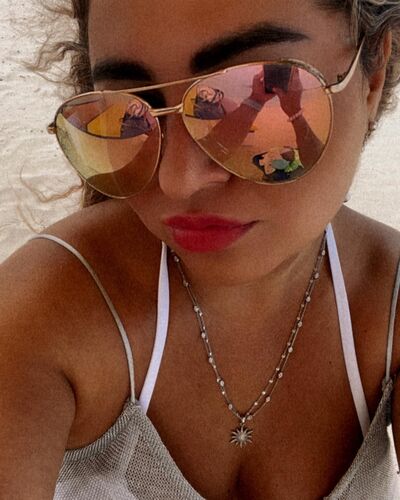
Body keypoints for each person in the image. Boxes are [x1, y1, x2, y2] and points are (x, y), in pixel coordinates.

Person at [1, 0, 400, 498]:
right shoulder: (40, 315)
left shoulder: (387, 310)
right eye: (131, 113)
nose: (179, 180)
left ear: (372, 75)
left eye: (256, 96)